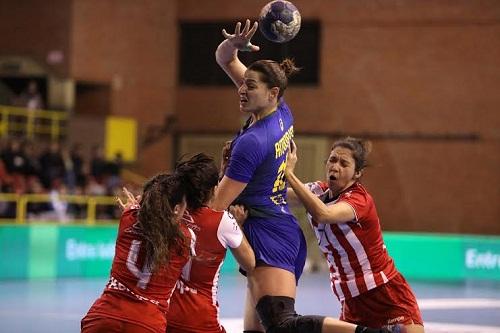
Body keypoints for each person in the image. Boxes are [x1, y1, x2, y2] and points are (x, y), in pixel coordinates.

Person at [212, 20, 402, 333]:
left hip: (268, 234)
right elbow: (224, 59)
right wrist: (233, 46)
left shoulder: (253, 142)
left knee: (281, 323)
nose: (242, 89)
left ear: (272, 93)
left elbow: (217, 205)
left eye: (250, 86)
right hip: (274, 227)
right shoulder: (281, 112)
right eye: (242, 83)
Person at [284, 137, 424, 333]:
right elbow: (277, 196)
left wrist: (289, 174)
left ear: (357, 173)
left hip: (383, 292)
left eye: (344, 163)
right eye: (332, 160)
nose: (335, 166)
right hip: (350, 299)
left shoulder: (359, 200)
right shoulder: (318, 191)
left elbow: (323, 214)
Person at [81, 173, 194, 333]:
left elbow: (138, 212)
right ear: (176, 209)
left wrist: (134, 207)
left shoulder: (128, 218)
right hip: (147, 323)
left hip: (102, 317)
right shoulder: (184, 239)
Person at [165, 153, 255, 333]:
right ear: (214, 189)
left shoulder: (172, 214)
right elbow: (250, 263)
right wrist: (238, 226)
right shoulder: (224, 221)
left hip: (166, 315)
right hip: (201, 318)